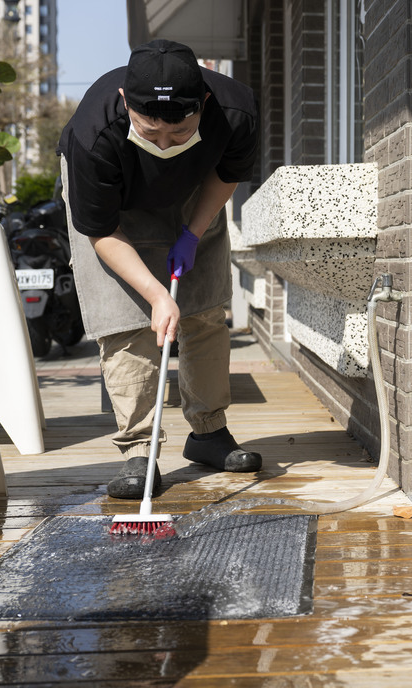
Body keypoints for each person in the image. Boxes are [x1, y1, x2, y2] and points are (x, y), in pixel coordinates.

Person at [57, 39, 261, 499]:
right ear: (128, 103)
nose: (165, 143)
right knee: (126, 322)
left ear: (203, 105)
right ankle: (139, 451)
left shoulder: (234, 111)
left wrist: (191, 234)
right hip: (117, 209)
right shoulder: (94, 134)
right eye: (151, 133)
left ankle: (208, 433)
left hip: (194, 191)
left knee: (204, 309)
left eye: (180, 132)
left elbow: (225, 175)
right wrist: (154, 293)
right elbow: (102, 231)